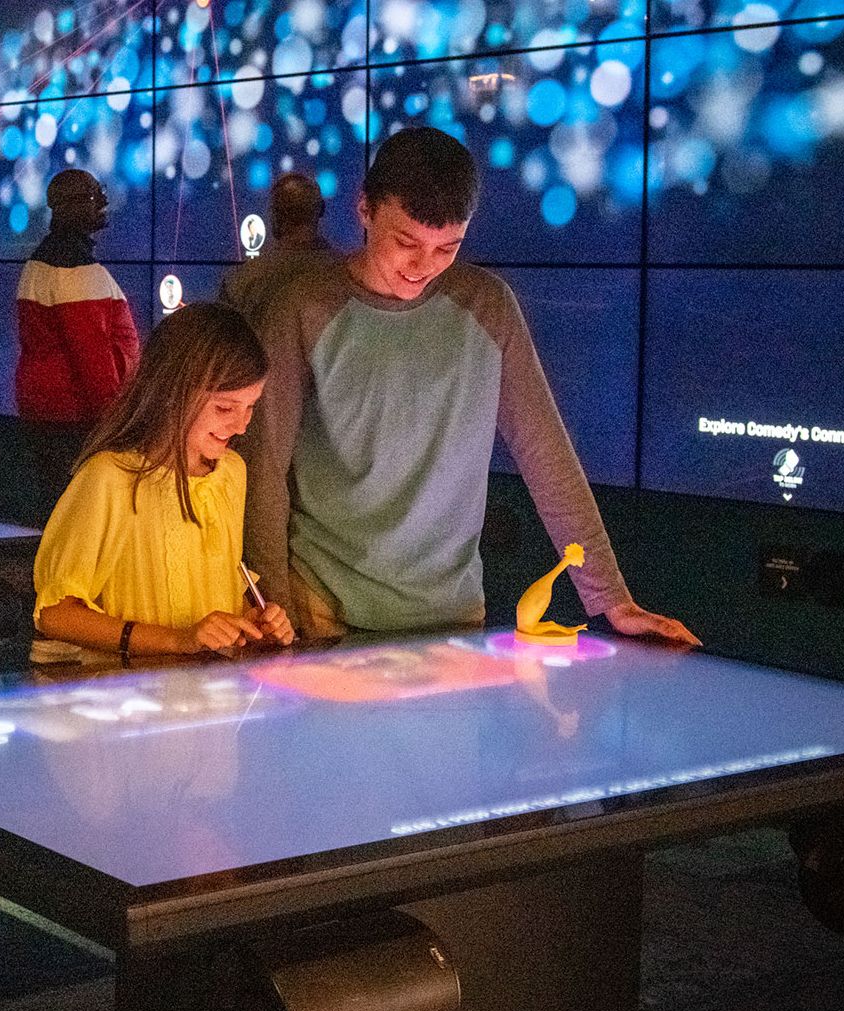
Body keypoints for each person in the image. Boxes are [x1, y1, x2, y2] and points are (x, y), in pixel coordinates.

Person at [243, 127, 699, 645]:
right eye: (406, 242)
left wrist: (613, 599)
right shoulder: (301, 308)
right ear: (364, 209)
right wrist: (273, 605)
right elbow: (263, 468)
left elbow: (546, 454)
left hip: (452, 617)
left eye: (448, 248)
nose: (423, 267)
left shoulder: (488, 307)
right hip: (322, 612)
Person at [32, 301, 293, 662]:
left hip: (207, 700)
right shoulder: (109, 477)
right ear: (173, 391)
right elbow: (55, 615)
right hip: (129, 701)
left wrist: (252, 621)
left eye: (251, 407)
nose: (242, 426)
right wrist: (178, 640)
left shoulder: (232, 471)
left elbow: (219, 589)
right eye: (224, 408)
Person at [16, 169, 140, 522]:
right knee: (80, 516)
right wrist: (118, 423)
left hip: (50, 415)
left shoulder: (40, 263)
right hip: (75, 420)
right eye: (92, 198)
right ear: (69, 206)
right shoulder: (74, 271)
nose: (102, 205)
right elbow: (94, 360)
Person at [221, 172, 339, 328]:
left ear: (274, 215)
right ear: (321, 210)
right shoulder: (350, 275)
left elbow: (222, 344)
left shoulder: (241, 282)